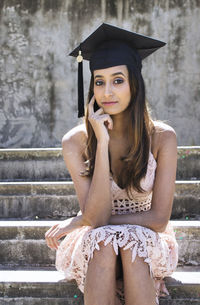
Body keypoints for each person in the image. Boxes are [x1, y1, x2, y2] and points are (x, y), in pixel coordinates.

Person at [45, 23, 178, 305]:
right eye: (99, 81)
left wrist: (84, 220)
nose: (107, 91)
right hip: (97, 243)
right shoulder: (76, 142)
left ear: (134, 84)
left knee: (130, 243)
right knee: (105, 242)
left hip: (146, 240)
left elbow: (158, 220)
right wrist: (101, 142)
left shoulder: (162, 138)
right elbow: (97, 220)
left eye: (118, 80)